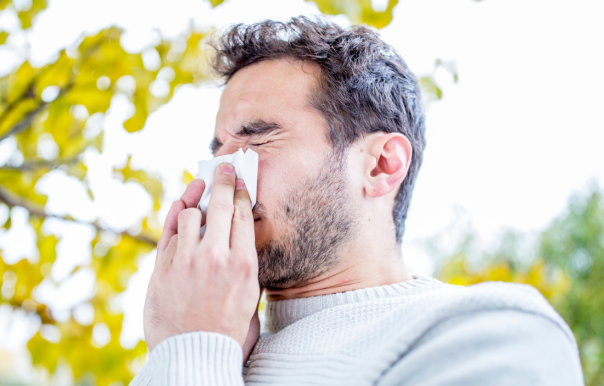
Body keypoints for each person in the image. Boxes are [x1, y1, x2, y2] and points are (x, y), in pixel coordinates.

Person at [130, 17, 584, 385]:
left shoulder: (489, 334)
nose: (219, 177)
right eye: (216, 152)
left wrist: (194, 350)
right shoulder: (192, 343)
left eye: (259, 140)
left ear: (382, 165)